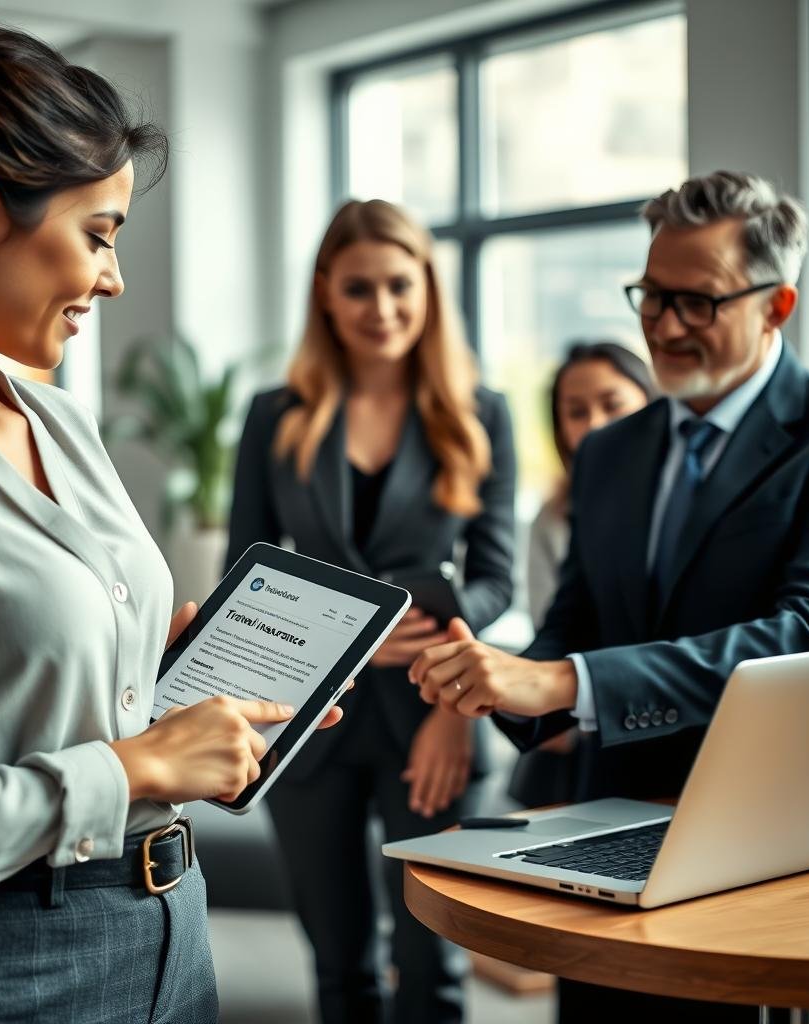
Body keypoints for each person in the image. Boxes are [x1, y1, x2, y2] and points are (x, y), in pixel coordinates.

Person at [409, 170, 809, 1023]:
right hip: (603, 841)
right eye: (651, 297)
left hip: (779, 852)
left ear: (778, 306)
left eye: (698, 303)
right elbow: (575, 620)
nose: (663, 327)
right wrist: (489, 676)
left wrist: (570, 682)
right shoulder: (610, 450)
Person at [0, 4, 340, 1020]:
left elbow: (49, 665)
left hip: (169, 933)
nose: (114, 277)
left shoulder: (61, 423)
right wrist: (136, 763)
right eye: (97, 235)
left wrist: (161, 651)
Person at [225, 198, 516, 1024]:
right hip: (305, 720)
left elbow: (496, 582)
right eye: (358, 289)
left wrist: (454, 701)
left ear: (427, 287)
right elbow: (243, 577)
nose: (381, 309)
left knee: (436, 968)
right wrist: (352, 640)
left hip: (435, 710)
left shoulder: (480, 412)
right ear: (324, 292)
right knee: (338, 966)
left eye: (400, 285)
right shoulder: (273, 416)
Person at [511, 340, 655, 809]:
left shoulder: (678, 508)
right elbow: (553, 623)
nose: (595, 424)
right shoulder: (554, 517)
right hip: (577, 729)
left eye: (612, 404)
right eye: (576, 411)